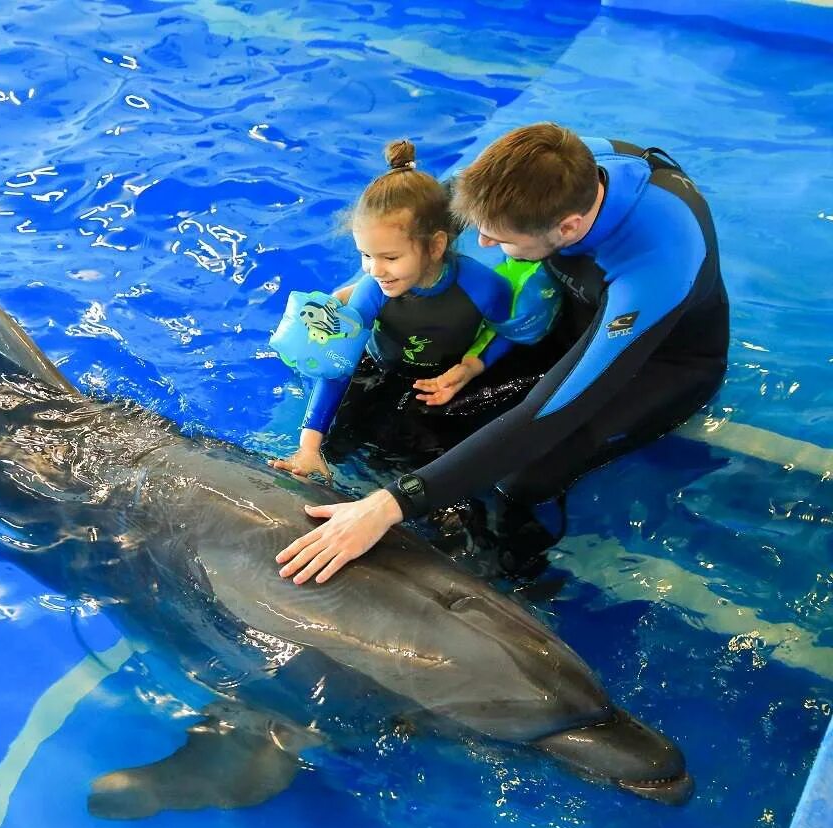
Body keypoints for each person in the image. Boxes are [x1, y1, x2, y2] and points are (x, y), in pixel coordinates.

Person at [275, 123, 729, 585]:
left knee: (523, 477)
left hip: (657, 362)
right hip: (569, 321)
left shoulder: (657, 263)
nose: (484, 245)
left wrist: (387, 505)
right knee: (414, 411)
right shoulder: (557, 162)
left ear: (568, 228)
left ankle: (530, 582)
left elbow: (546, 414)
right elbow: (431, 215)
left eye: (499, 238)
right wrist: (370, 283)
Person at [269, 139, 536, 483]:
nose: (374, 270)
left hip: (443, 377)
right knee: (337, 446)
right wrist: (309, 446)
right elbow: (339, 366)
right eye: (366, 255)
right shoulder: (372, 290)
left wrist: (471, 368)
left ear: (436, 246)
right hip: (378, 367)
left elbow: (505, 330)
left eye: (389, 258)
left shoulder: (483, 287)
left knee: (421, 460)